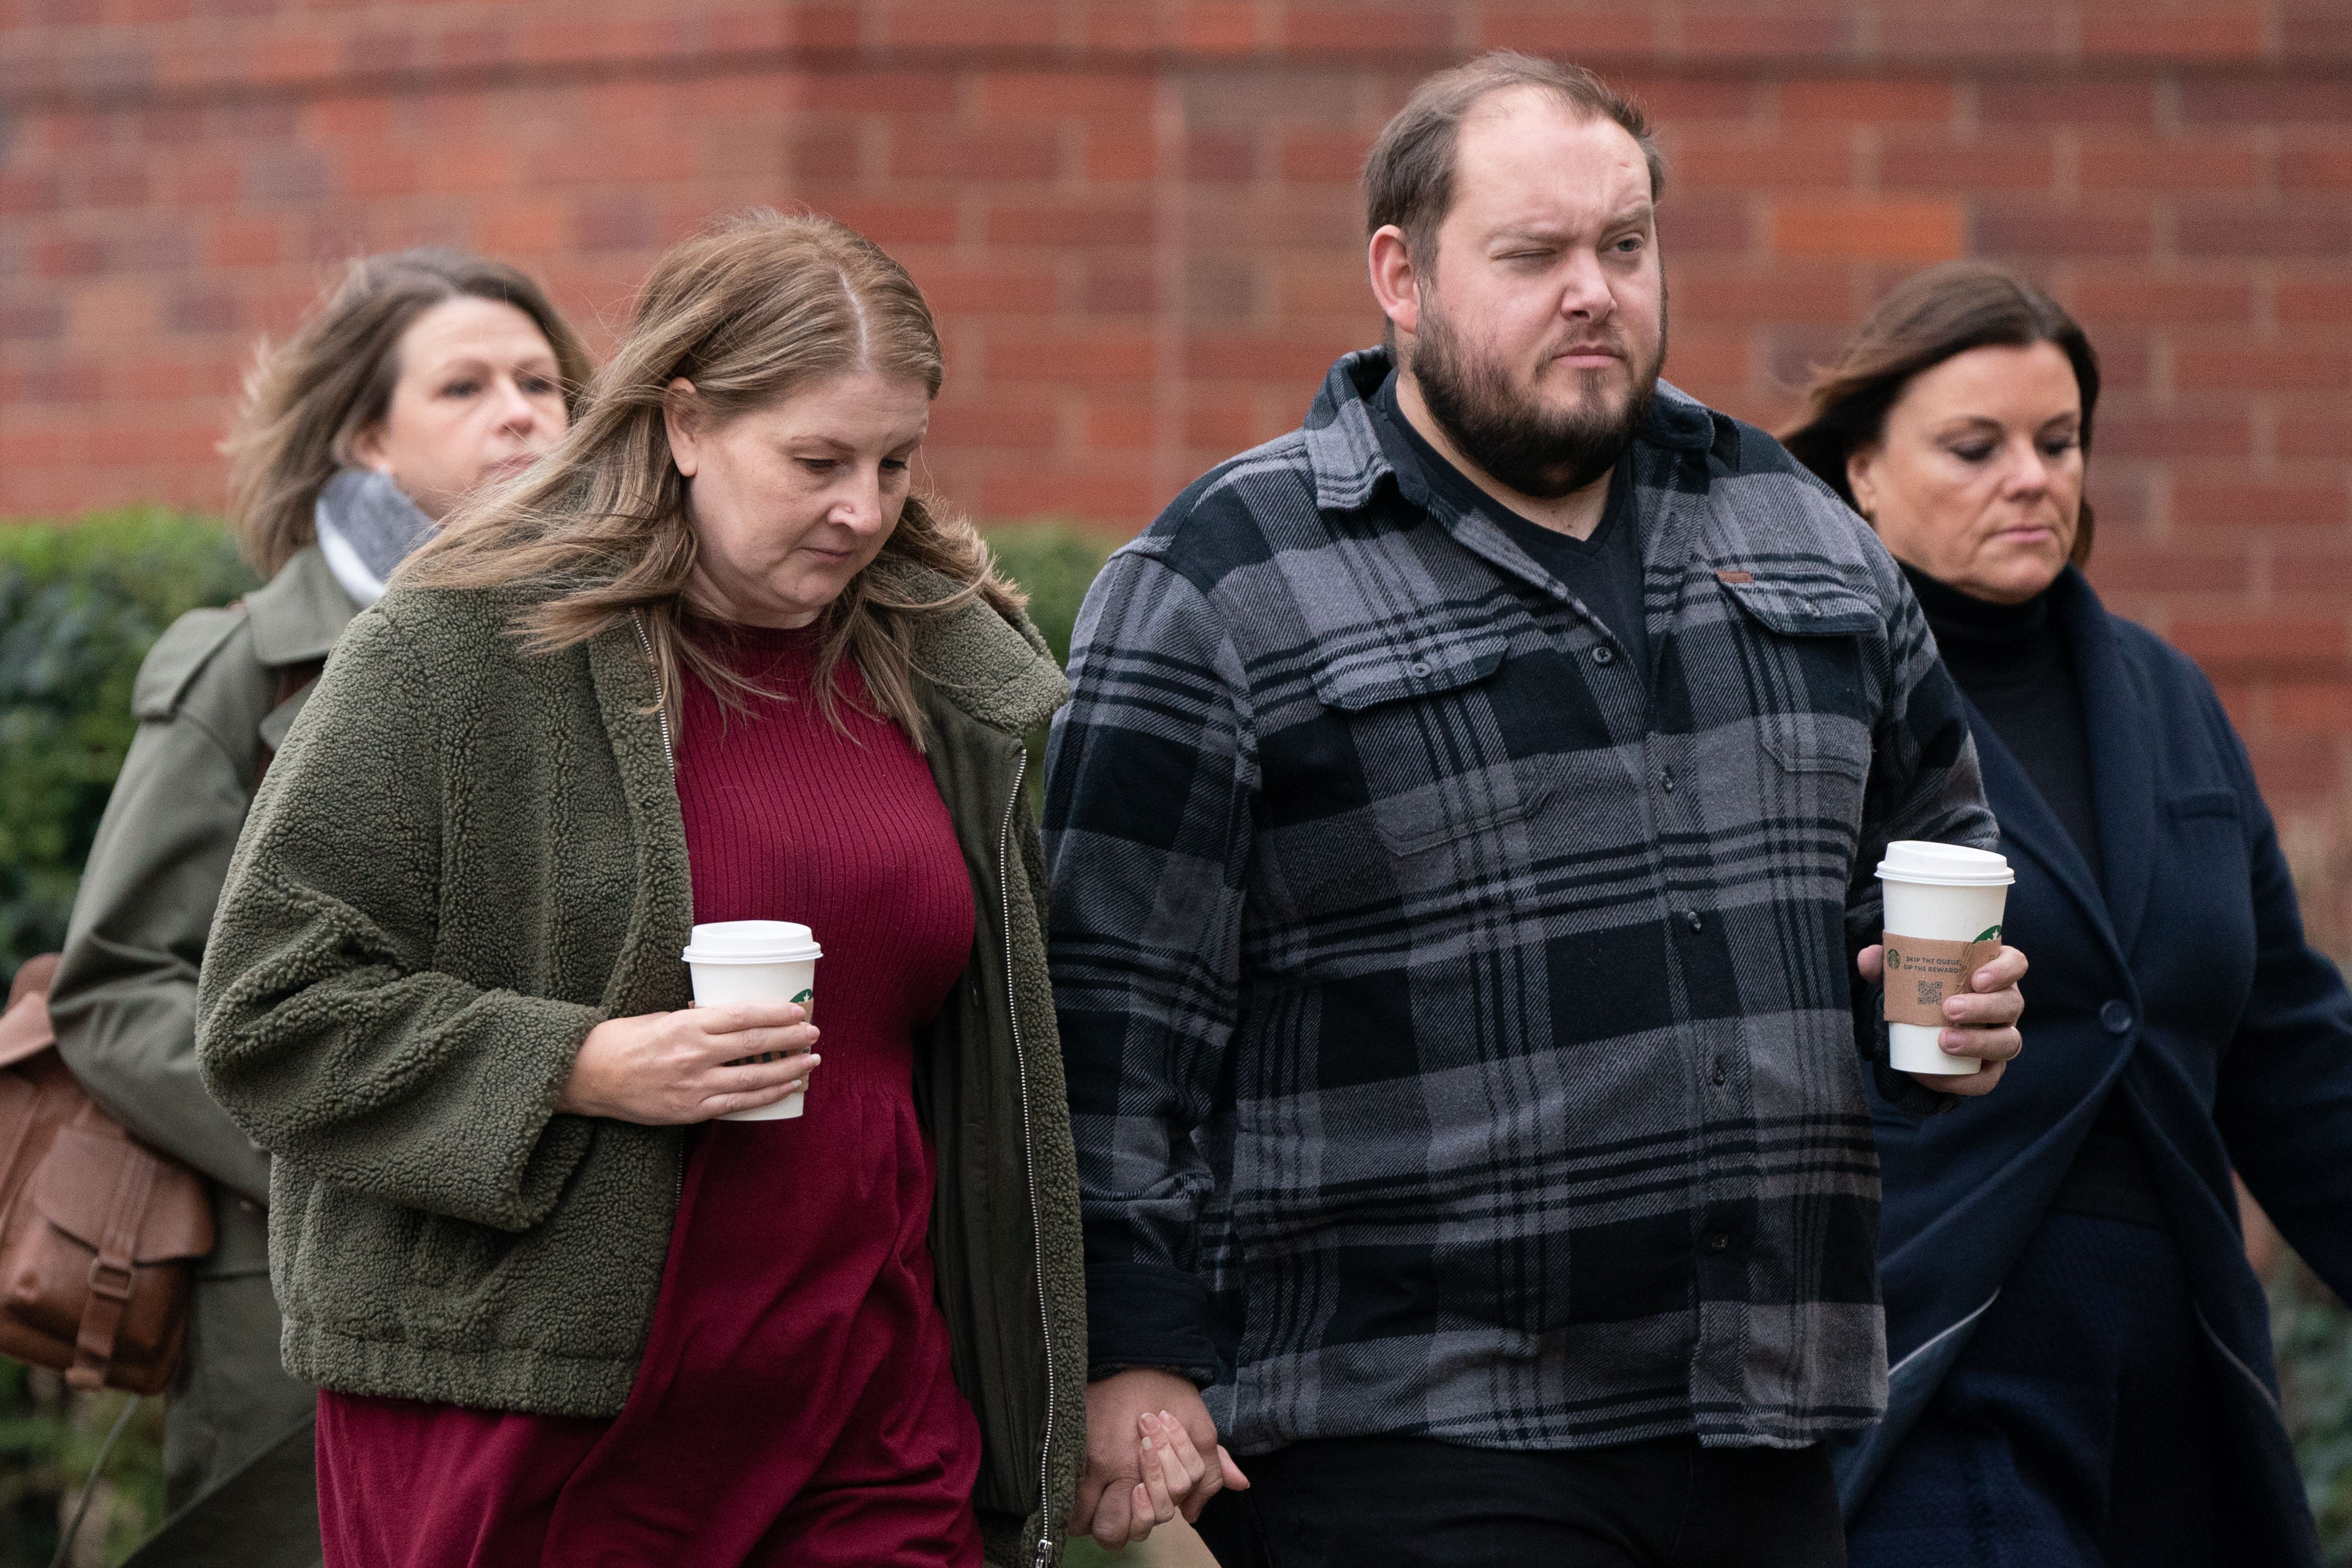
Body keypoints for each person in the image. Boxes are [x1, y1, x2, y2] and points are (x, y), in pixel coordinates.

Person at [1043, 51, 2029, 1568]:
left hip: (1759, 1414)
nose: (1594, 291)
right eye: (1535, 255)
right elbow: (1108, 1027)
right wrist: (1131, 1346)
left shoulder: (1801, 533)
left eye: (1623, 247)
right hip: (1402, 1432)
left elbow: (1929, 843)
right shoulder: (1223, 580)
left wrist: (1942, 1019)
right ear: (1400, 272)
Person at [191, 210, 1087, 1568]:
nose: (863, 507)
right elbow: (270, 1010)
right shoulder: (461, 642)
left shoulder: (941, 671)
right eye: (815, 460)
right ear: (680, 423)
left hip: (872, 1412)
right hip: (538, 1416)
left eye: (895, 461)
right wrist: (582, 1063)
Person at [1782, 261, 2352, 1568]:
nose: (2030, 477)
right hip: (1930, 1368)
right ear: (1861, 471)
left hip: (2180, 1378)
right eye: (1972, 447)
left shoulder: (2165, 701)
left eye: (2058, 441)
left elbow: (2290, 1058)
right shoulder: (1803, 708)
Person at [47, 248, 588, 1554]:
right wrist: (366, 1135)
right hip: (296, 1300)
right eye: (464, 385)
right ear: (363, 436)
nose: (519, 409)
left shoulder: (623, 649)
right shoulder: (247, 664)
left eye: (541, 380)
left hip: (559, 1285)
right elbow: (117, 986)